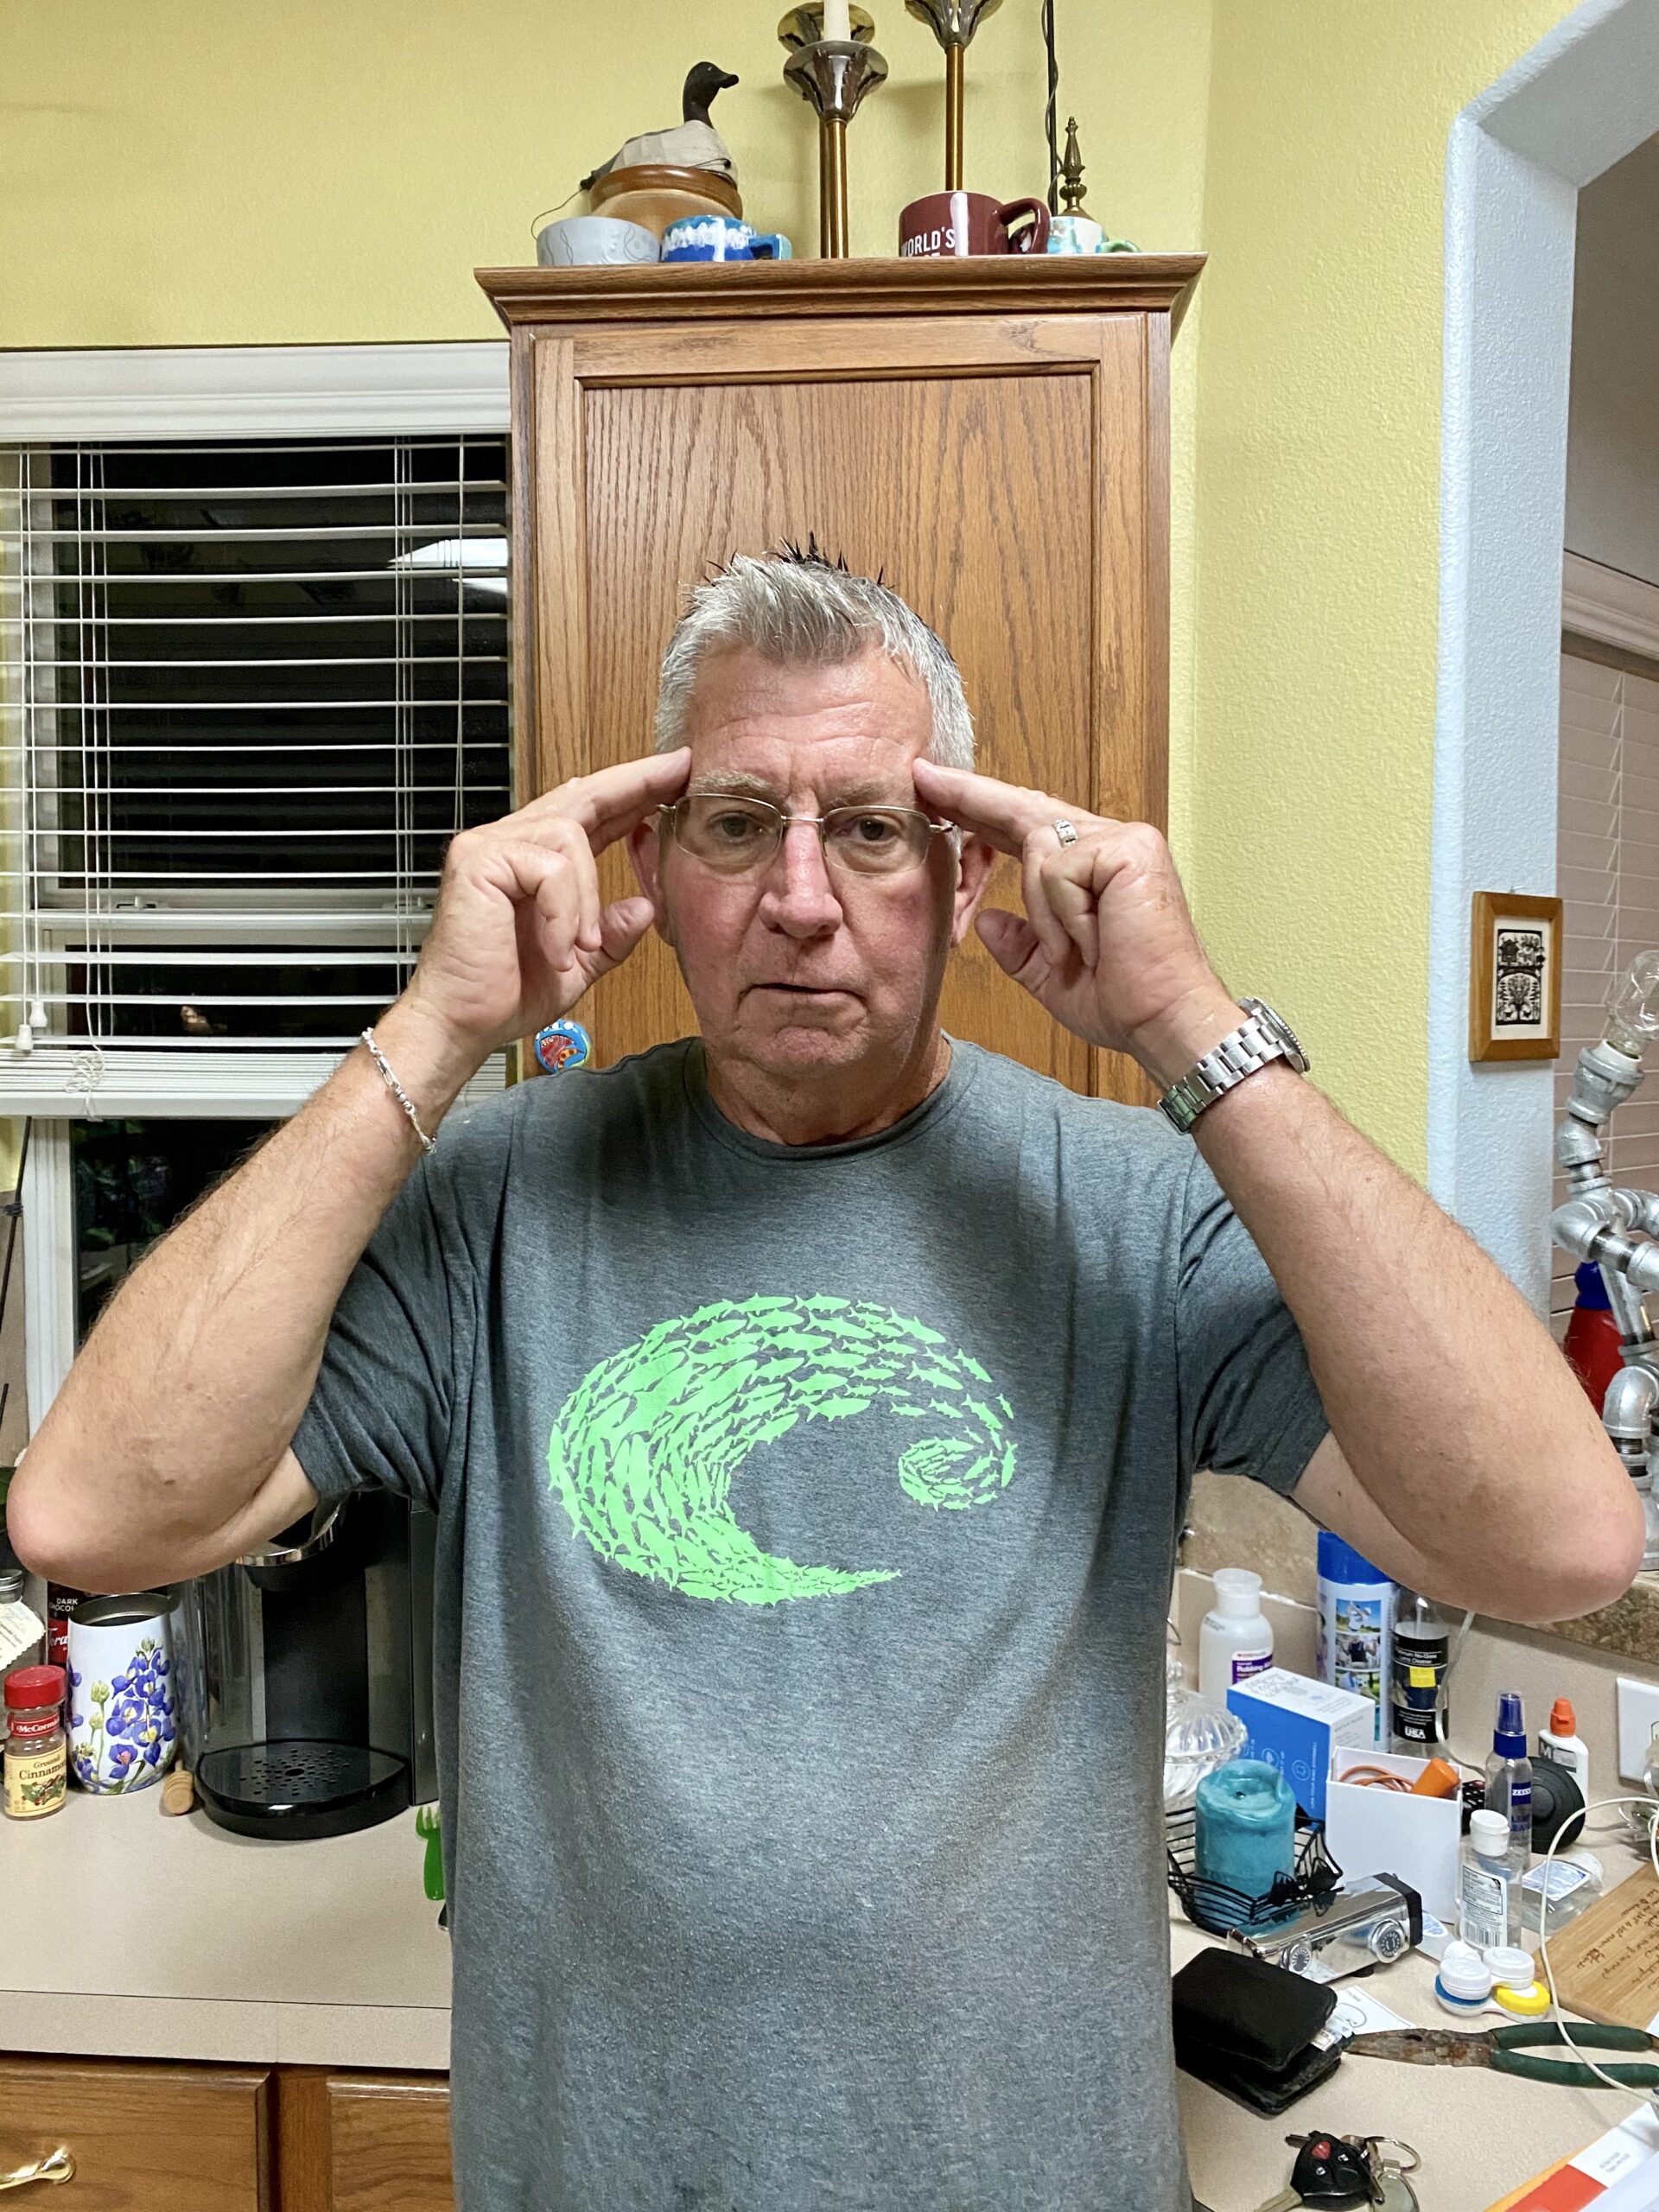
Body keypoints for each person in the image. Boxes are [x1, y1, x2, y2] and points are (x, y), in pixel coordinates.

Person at [11, 550, 1640, 2211]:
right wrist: (431, 1031)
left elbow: (1558, 1542)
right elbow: (92, 1516)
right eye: (736, 824)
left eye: (867, 827)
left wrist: (1192, 1028)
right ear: (654, 866)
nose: (800, 896)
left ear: (960, 868)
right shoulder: (499, 1202)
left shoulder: (1128, 1213)